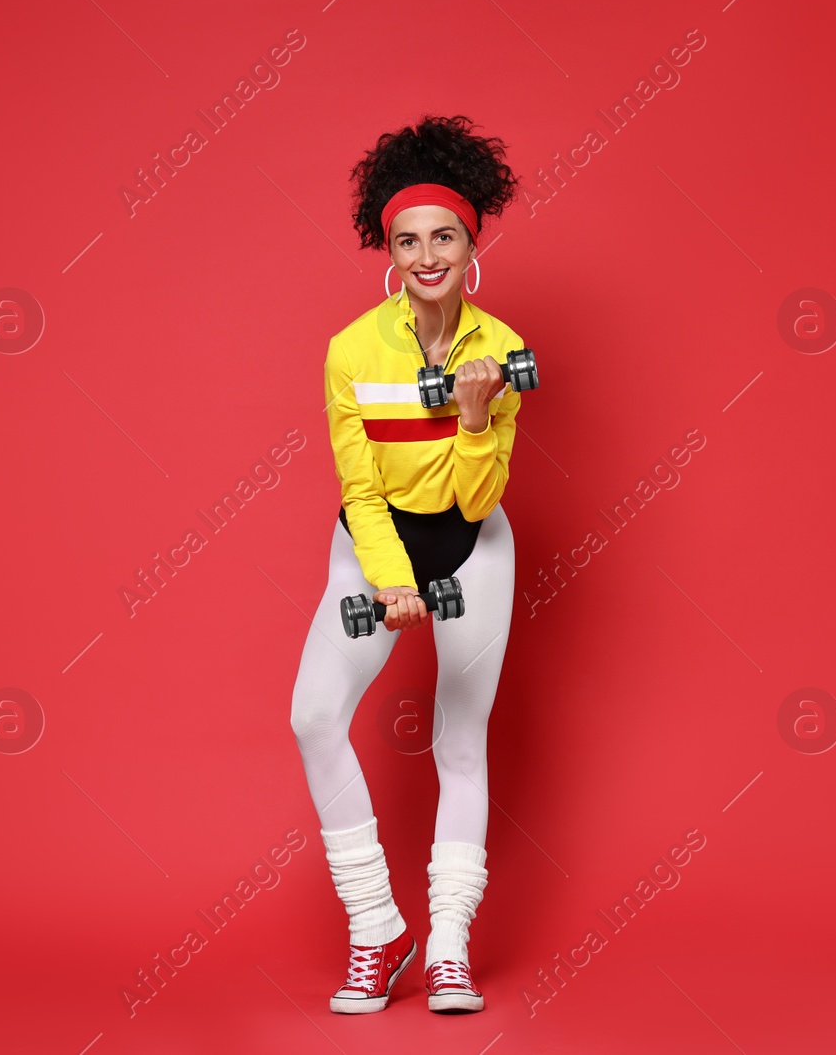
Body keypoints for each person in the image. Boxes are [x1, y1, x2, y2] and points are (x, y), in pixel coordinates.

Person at [288, 114, 522, 1015]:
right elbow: (361, 482)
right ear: (389, 250)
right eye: (408, 240)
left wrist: (471, 418)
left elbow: (473, 499)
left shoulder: (500, 349)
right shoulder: (352, 350)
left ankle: (450, 950)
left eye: (445, 238)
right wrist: (389, 580)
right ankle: (378, 929)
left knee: (459, 741)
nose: (428, 256)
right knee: (314, 716)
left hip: (473, 545)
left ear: (472, 245)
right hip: (373, 543)